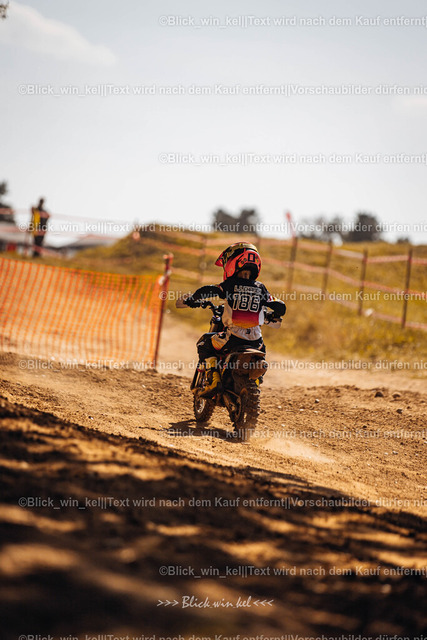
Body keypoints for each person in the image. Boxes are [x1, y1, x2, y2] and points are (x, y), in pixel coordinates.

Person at [183, 242, 286, 396]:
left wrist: (192, 299)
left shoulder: (230, 285)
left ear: (233, 262)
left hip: (233, 338)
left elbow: (209, 290)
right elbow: (280, 307)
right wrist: (274, 315)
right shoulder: (261, 288)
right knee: (261, 354)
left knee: (204, 343)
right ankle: (255, 382)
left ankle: (214, 379)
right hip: (256, 342)